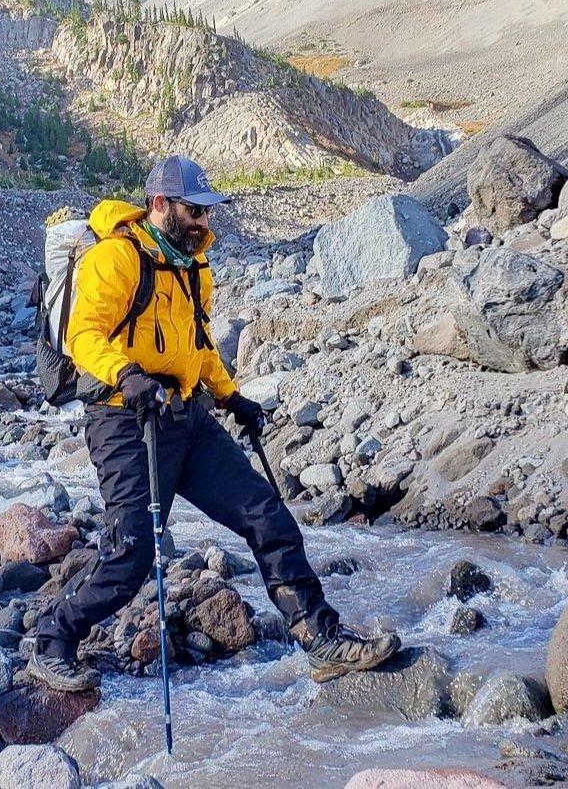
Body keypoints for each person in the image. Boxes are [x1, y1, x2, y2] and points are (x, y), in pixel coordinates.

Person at [27, 155, 401, 692]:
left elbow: (198, 345)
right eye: (195, 209)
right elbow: (84, 337)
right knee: (132, 553)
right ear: (161, 205)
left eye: (208, 210)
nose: (206, 221)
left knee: (267, 517)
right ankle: (52, 641)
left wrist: (231, 397)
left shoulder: (194, 265)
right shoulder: (116, 258)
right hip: (125, 422)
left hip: (185, 418)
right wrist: (127, 376)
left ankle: (322, 640)